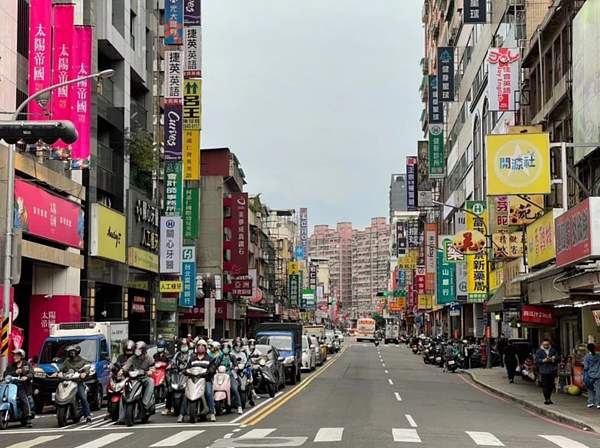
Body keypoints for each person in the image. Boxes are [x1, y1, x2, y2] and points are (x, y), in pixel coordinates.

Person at [115, 341, 155, 424]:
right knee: (124, 394)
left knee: (150, 381)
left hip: (144, 378)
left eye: (139, 350)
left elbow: (152, 369)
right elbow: (126, 367)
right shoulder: (132, 358)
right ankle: (121, 417)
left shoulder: (149, 358)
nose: (137, 351)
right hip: (133, 379)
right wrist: (121, 371)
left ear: (143, 351)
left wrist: (149, 371)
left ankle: (145, 403)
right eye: (136, 350)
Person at [52, 345, 92, 423]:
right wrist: (56, 372)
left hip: (77, 382)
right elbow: (61, 368)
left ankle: (87, 415)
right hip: (67, 380)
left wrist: (84, 373)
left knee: (83, 397)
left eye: (72, 352)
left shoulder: (83, 361)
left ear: (77, 352)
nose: (71, 353)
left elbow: (87, 368)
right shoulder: (67, 361)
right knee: (58, 394)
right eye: (70, 352)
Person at [179, 341, 217, 422]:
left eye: (202, 346)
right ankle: (182, 414)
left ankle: (212, 413)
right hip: (192, 380)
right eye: (199, 346)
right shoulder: (193, 358)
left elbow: (213, 366)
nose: (200, 348)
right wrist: (184, 371)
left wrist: (211, 370)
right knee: (186, 394)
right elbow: (187, 367)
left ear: (205, 348)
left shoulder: (209, 358)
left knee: (208, 394)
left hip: (205, 379)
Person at [4, 349, 34, 427]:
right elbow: (5, 374)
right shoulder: (10, 366)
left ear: (22, 356)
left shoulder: (27, 365)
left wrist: (26, 377)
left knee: (23, 398)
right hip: (11, 385)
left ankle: (28, 418)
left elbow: (31, 373)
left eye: (17, 355)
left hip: (22, 385)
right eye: (14, 355)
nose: (15, 357)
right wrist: (15, 372)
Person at [163, 338, 192, 416]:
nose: (184, 347)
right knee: (170, 389)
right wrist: (170, 366)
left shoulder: (192, 355)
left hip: (188, 375)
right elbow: (173, 362)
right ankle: (167, 408)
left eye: (185, 345)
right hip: (177, 375)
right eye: (182, 345)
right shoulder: (177, 355)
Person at [218, 343, 243, 414]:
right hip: (220, 376)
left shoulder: (232, 357)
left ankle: (239, 406)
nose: (225, 349)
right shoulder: (219, 358)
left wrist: (236, 367)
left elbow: (235, 364)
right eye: (224, 348)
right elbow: (215, 365)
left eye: (227, 348)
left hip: (231, 375)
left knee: (234, 389)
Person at [535, 339, 559, 405]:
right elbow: (537, 360)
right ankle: (546, 399)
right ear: (542, 344)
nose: (546, 346)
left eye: (547, 345)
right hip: (543, 370)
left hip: (551, 370)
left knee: (550, 385)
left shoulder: (552, 350)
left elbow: (557, 358)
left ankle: (549, 397)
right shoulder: (539, 351)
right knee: (545, 385)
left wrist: (552, 359)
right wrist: (543, 360)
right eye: (544, 345)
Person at [583, 343, 600, 409]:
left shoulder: (586, 357)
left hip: (590, 375)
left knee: (590, 388)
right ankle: (598, 404)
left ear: (588, 349)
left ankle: (590, 402)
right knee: (598, 389)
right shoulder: (598, 356)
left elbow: (586, 367)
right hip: (598, 374)